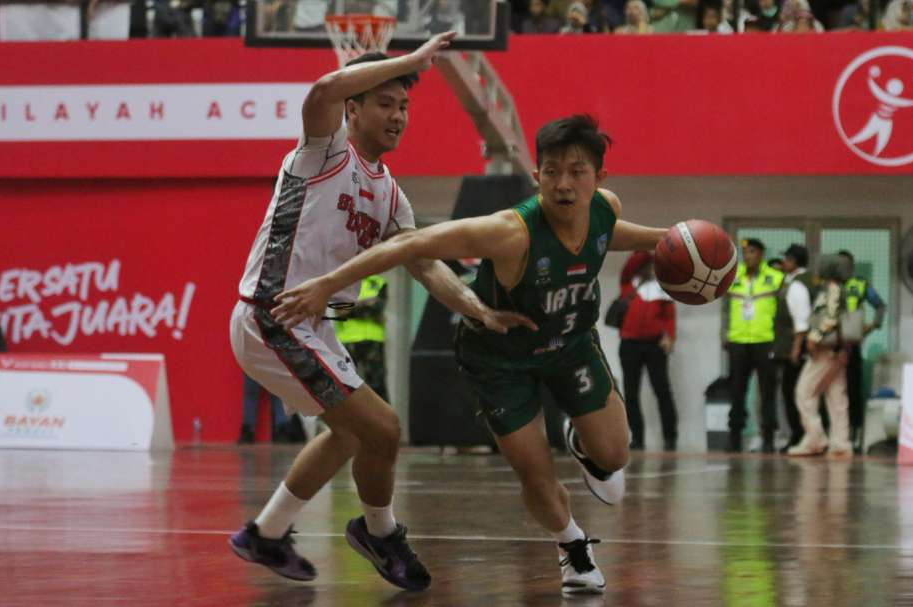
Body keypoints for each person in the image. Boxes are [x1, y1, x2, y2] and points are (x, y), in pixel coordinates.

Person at [270, 115, 675, 596]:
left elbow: (610, 235)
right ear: (536, 175)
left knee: (615, 452)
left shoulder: (605, 209)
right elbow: (412, 242)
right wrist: (328, 284)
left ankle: (585, 445)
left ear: (599, 178)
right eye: (551, 171)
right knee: (535, 473)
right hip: (499, 360)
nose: (563, 183)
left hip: (569, 343)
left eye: (576, 171)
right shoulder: (510, 231)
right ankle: (571, 544)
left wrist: (675, 239)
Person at [227, 33, 535, 591]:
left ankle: (265, 534)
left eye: (405, 106)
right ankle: (380, 532)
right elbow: (322, 87)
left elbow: (423, 263)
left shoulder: (391, 194)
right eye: (386, 103)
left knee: (349, 436)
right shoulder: (324, 151)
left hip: (311, 327)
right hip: (274, 314)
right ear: (355, 107)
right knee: (384, 429)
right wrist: (413, 60)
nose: (398, 117)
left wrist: (478, 311)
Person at [788, 256, 852, 458]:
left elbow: (831, 316)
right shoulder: (835, 288)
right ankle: (841, 444)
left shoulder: (832, 288)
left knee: (804, 392)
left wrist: (814, 337)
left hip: (826, 351)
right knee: (836, 397)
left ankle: (815, 440)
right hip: (838, 350)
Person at [725, 239, 783, 453]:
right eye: (745, 252)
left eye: (752, 252)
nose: (747, 256)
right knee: (737, 391)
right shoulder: (733, 276)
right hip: (738, 341)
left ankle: (768, 437)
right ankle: (734, 436)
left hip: (764, 341)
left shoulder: (775, 278)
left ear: (761, 254)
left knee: (767, 392)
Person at [617, 251, 678, 451]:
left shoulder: (663, 288)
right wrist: (645, 246)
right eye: (646, 265)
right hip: (629, 345)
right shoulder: (629, 283)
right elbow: (631, 263)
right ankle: (638, 439)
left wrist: (670, 336)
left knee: (662, 391)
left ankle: (670, 439)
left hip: (655, 346)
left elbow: (669, 317)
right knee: (631, 393)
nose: (647, 268)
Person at [836, 250, 886, 452]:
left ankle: (855, 432)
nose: (842, 268)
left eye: (846, 264)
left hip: (852, 346)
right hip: (831, 346)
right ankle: (835, 433)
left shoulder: (861, 284)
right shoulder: (829, 284)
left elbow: (880, 306)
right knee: (832, 392)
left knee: (853, 390)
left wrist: (873, 325)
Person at [773, 245, 812, 453]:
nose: (784, 263)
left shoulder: (797, 285)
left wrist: (796, 349)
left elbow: (801, 320)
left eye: (787, 259)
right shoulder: (808, 281)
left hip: (795, 350)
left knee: (793, 393)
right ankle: (802, 435)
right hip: (800, 348)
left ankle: (799, 435)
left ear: (794, 261)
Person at [335, 275, 390, 400]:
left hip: (373, 339)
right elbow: (340, 310)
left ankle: (380, 418)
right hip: (348, 340)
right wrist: (367, 303)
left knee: (377, 385)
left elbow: (378, 307)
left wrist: (352, 307)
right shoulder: (342, 281)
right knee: (345, 384)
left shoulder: (379, 282)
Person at [238, 373, 290, 444]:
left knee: (250, 395)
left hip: (252, 363)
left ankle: (247, 431)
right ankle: (281, 431)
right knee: (278, 392)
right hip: (274, 363)